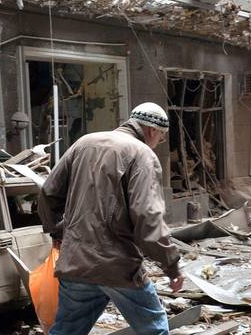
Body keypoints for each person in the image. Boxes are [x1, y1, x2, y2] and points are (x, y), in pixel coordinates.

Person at [38, 102, 182, 335]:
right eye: (162, 138)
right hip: (118, 266)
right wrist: (172, 266)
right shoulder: (142, 154)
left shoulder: (83, 143)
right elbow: (147, 216)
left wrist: (58, 232)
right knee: (154, 330)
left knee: (65, 332)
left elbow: (48, 192)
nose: (158, 144)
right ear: (153, 130)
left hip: (76, 264)